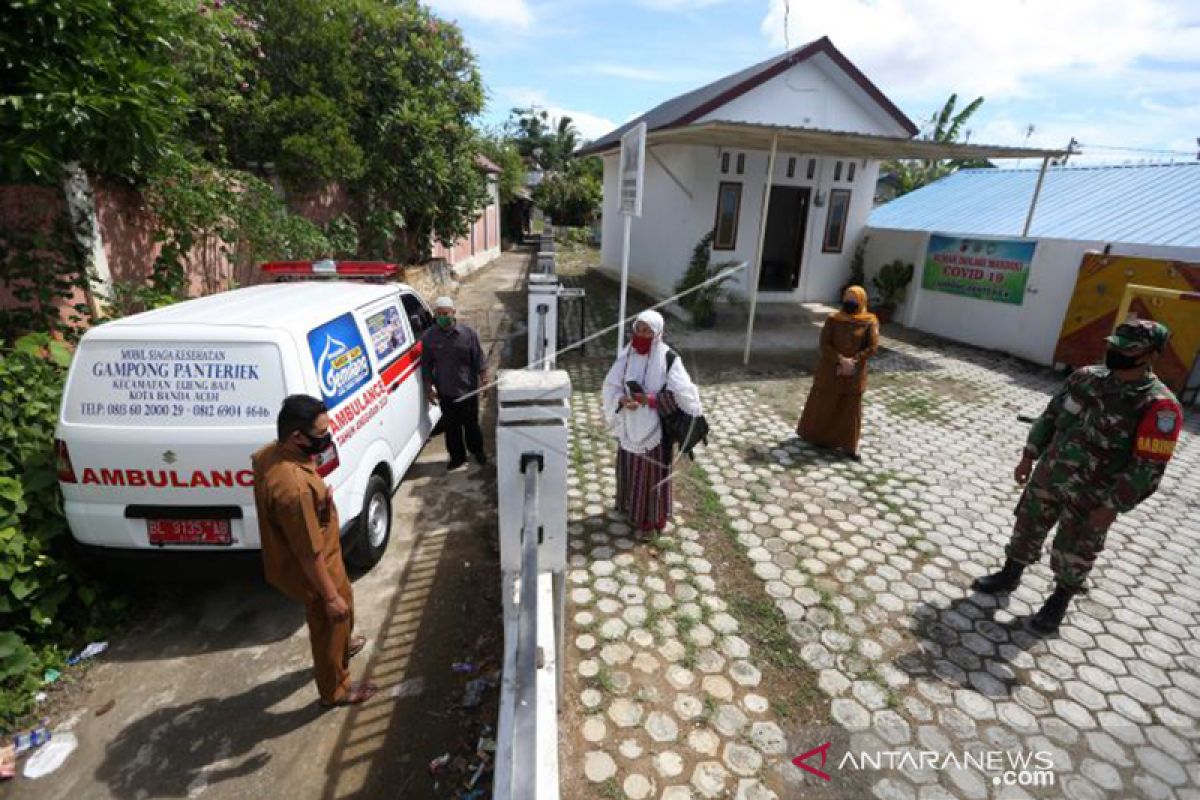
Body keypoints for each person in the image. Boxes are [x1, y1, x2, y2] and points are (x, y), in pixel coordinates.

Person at [973, 319, 1183, 634]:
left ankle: (1058, 602)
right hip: (1050, 476)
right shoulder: (1085, 378)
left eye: (1128, 349)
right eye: (1114, 346)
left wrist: (1113, 506)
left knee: (1076, 549)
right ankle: (1010, 573)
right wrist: (1028, 455)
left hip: (1094, 495)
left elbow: (1148, 467)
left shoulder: (1160, 406)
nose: (1116, 353)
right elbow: (1051, 416)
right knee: (1027, 526)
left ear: (1151, 354)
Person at [251, 395, 375, 707]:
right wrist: (329, 596)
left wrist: (318, 498)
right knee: (331, 616)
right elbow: (308, 552)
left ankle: (342, 645)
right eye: (321, 435)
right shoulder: (294, 490)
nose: (327, 440)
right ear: (297, 437)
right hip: (314, 564)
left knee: (343, 606)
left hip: (319, 551)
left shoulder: (270, 455)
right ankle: (336, 689)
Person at [602, 310, 702, 539]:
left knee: (652, 474)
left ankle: (652, 519)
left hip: (656, 430)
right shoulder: (627, 354)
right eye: (639, 329)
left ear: (658, 333)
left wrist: (651, 400)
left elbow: (687, 396)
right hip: (630, 424)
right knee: (631, 468)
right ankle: (630, 508)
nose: (642, 334)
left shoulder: (669, 359)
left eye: (648, 331)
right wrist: (622, 399)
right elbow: (611, 385)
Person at [796, 285, 880, 460]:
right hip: (830, 369)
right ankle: (816, 438)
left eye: (854, 298)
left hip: (854, 373)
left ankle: (848, 446)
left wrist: (853, 361)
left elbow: (873, 346)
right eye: (847, 297)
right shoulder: (834, 319)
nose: (850, 301)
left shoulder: (869, 321)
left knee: (850, 409)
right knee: (824, 403)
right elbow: (824, 343)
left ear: (861, 300)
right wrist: (840, 359)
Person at [421, 296, 488, 471]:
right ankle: (457, 457)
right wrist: (428, 388)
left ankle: (477, 451)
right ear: (435, 315)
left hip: (468, 390)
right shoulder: (429, 338)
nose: (443, 317)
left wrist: (484, 378)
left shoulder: (468, 334)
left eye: (446, 313)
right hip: (446, 391)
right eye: (439, 314)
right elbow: (426, 365)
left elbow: (478, 358)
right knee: (452, 428)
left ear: (454, 313)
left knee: (471, 424)